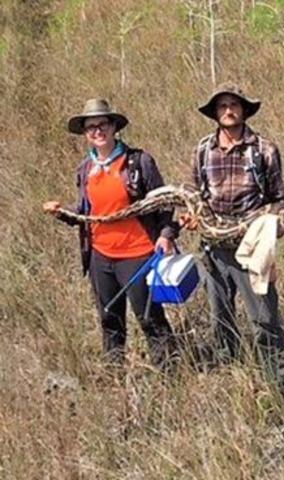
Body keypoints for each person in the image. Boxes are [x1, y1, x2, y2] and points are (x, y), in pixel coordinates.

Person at [43, 98, 178, 369]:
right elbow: (87, 213)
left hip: (138, 254)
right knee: (109, 318)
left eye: (102, 124)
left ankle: (171, 374)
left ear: (114, 126)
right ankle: (114, 374)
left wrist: (165, 234)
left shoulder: (138, 162)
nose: (97, 131)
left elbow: (164, 202)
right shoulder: (85, 170)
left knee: (149, 316)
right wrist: (62, 213)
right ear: (85, 133)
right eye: (90, 127)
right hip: (100, 257)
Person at [183, 83, 284, 397]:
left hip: (252, 247)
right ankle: (230, 380)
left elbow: (279, 199)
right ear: (215, 114)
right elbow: (196, 197)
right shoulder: (203, 149)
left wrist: (271, 223)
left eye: (234, 105)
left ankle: (279, 384)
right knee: (221, 318)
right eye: (222, 106)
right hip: (213, 247)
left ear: (243, 110)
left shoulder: (263, 149)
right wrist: (192, 218)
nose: (228, 111)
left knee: (264, 318)